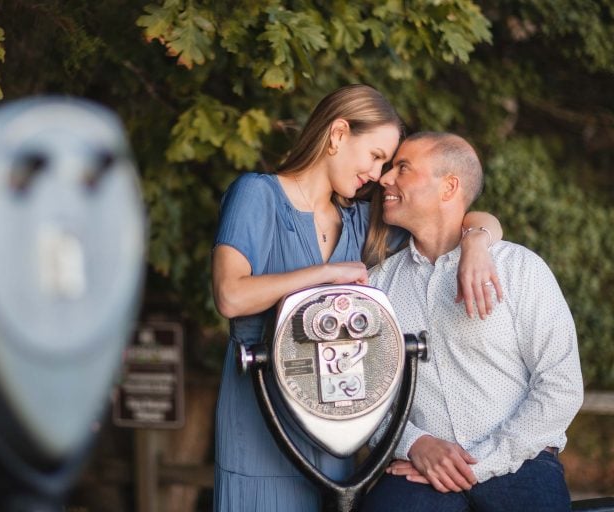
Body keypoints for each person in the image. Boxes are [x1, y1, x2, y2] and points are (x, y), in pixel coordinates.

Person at [211, 85, 504, 511]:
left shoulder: (363, 223)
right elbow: (229, 296)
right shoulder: (257, 195)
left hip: (338, 435)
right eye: (376, 155)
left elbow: (460, 215)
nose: (379, 173)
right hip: (260, 430)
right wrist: (326, 274)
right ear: (338, 133)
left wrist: (476, 244)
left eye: (387, 163)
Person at [362, 131, 584, 512]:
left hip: (521, 462)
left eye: (403, 168)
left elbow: (561, 386)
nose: (384, 178)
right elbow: (363, 393)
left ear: (449, 187)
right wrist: (413, 442)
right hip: (420, 467)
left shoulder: (519, 269)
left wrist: (484, 463)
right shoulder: (378, 285)